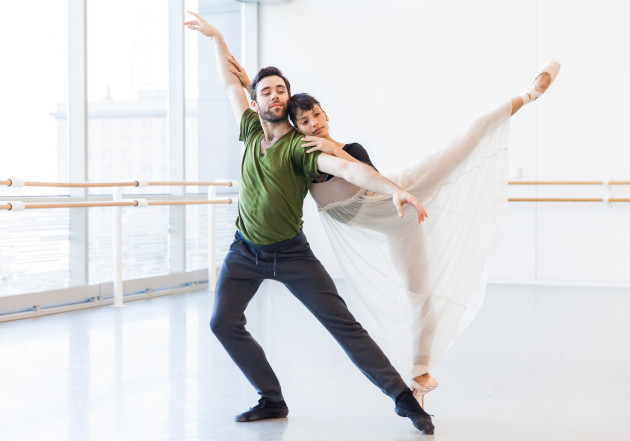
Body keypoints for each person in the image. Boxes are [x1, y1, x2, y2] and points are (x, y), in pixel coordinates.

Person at [227, 54, 560, 408]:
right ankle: (420, 378)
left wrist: (334, 146)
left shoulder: (348, 150)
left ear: (327, 116)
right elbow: (265, 117)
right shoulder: (300, 154)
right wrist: (252, 83)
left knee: (464, 142)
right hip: (396, 229)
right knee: (419, 294)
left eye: (317, 116)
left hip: (402, 193)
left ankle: (528, 95)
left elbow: (362, 174)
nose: (314, 125)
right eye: (305, 121)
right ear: (296, 128)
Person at [184, 11, 435, 434]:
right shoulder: (248, 128)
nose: (275, 95)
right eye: (266, 91)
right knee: (222, 322)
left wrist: (393, 188)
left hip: (291, 254)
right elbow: (230, 82)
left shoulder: (302, 146)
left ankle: (404, 400)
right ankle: (271, 399)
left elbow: (350, 171)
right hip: (244, 250)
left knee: (344, 327)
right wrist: (216, 38)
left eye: (281, 89)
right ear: (257, 100)